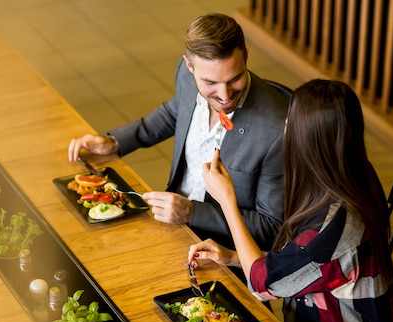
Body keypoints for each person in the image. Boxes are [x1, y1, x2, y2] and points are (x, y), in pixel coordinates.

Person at [187, 80, 393, 322]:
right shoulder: (352, 173)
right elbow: (300, 264)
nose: (284, 125)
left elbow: (263, 282)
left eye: (291, 122)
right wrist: (231, 257)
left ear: (310, 141)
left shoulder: (334, 228)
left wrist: (226, 200)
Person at [67, 13, 289, 251]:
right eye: (210, 83)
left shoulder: (277, 130)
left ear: (246, 54)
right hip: (170, 223)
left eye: (235, 79)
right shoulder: (186, 77)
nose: (224, 96)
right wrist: (115, 142)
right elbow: (175, 113)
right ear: (189, 66)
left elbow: (272, 227)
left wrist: (192, 212)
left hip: (223, 250)